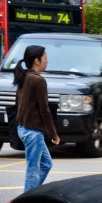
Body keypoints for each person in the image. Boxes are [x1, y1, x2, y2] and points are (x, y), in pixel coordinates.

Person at [13, 44, 60, 191]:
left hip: (24, 129)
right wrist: (54, 134)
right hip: (33, 132)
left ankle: (32, 196)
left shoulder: (24, 76)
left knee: (46, 164)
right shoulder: (38, 80)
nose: (47, 61)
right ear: (37, 61)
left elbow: (17, 103)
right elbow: (44, 110)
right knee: (33, 170)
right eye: (45, 58)